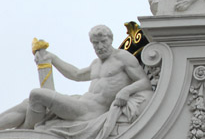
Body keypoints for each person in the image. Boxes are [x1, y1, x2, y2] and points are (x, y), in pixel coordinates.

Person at [0, 25, 152, 131]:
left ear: (111, 40)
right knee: (27, 104)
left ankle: (26, 134)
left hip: (89, 112)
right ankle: (20, 133)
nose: (100, 47)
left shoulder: (122, 58)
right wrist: (52, 58)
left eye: (103, 42)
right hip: (79, 103)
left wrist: (126, 91)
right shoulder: (96, 63)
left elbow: (144, 82)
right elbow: (76, 75)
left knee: (37, 95)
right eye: (95, 43)